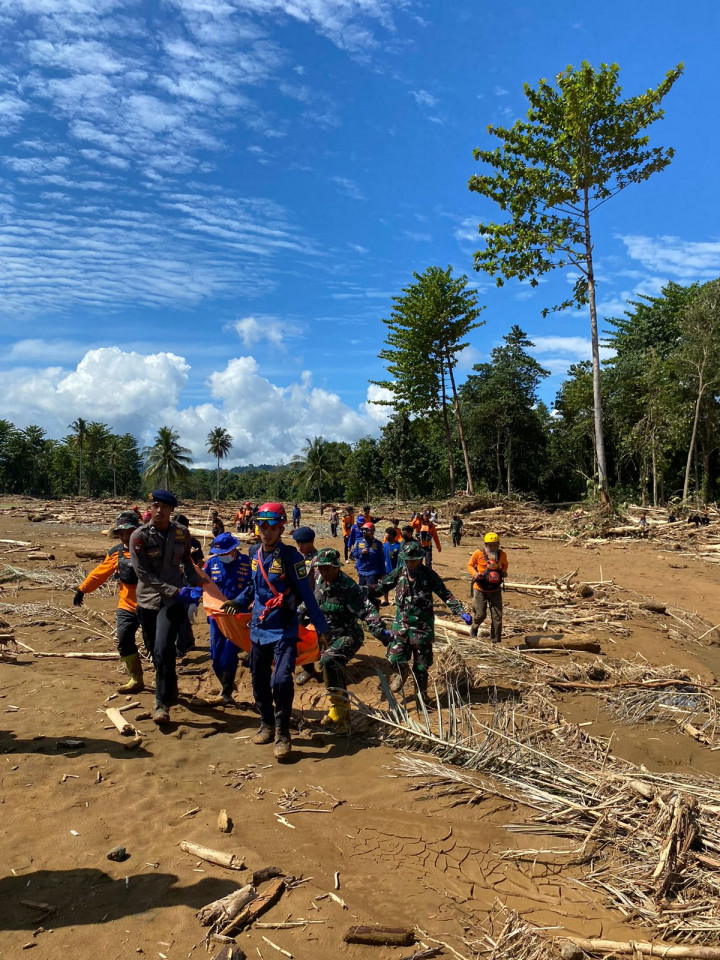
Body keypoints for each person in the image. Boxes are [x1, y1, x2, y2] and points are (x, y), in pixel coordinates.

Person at [220, 502, 330, 762]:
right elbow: (254, 587)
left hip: (284, 629)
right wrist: (238, 601)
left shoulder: (292, 558)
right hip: (259, 628)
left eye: (270, 527)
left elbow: (307, 596)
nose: (265, 531)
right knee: (258, 679)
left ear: (281, 527)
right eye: (261, 526)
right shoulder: (254, 552)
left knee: (281, 681)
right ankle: (266, 724)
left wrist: (322, 629)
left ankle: (283, 734)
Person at [130, 489, 204, 725]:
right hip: (148, 599)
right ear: (150, 508)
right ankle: (170, 686)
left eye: (165, 507)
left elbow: (187, 564)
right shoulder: (139, 536)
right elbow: (142, 573)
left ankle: (161, 703)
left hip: (172, 602)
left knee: (163, 647)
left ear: (172, 510)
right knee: (156, 650)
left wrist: (199, 583)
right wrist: (176, 590)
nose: (159, 511)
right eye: (156, 506)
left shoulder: (182, 534)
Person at [371, 541, 471, 701]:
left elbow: (445, 594)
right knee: (394, 658)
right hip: (401, 626)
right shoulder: (398, 573)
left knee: (421, 666)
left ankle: (422, 697)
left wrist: (460, 611)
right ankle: (403, 672)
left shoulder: (429, 575)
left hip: (422, 629)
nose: (410, 563)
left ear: (420, 559)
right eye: (407, 560)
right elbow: (380, 588)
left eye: (414, 560)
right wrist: (362, 592)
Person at [313, 547, 391, 730]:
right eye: (321, 568)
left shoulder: (348, 587)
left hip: (349, 634)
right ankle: (338, 709)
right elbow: (312, 601)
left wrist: (380, 631)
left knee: (329, 660)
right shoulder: (319, 580)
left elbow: (367, 611)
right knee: (331, 669)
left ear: (336, 568)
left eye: (327, 569)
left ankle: (341, 713)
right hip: (328, 635)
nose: (324, 572)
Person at [73, 510, 145, 693]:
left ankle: (164, 682)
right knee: (124, 639)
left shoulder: (150, 548)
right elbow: (100, 573)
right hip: (127, 606)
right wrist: (83, 589)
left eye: (128, 532)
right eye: (121, 533)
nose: (124, 536)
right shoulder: (116, 553)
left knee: (155, 645)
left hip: (150, 605)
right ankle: (135, 679)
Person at [203, 532, 251, 704]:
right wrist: (191, 601)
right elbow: (202, 584)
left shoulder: (247, 563)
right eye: (219, 553)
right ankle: (224, 682)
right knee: (216, 656)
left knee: (229, 654)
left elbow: (255, 587)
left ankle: (226, 691)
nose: (222, 556)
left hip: (238, 618)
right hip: (217, 618)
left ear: (233, 550)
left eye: (224, 553)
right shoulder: (211, 563)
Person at [292, 525, 321, 688]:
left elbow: (318, 588)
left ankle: (318, 667)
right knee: (300, 639)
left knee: (316, 638)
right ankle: (308, 668)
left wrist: (304, 606)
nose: (299, 547)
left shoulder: (317, 560)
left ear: (311, 542)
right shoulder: (296, 556)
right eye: (297, 543)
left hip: (311, 605)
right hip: (295, 604)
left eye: (302, 543)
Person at [467, 532, 508, 644]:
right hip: (480, 588)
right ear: (485, 545)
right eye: (489, 545)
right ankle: (474, 627)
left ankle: (495, 641)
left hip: (495, 590)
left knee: (497, 618)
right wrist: (474, 574)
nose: (492, 547)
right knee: (480, 614)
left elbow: (505, 565)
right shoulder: (478, 553)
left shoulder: (502, 555)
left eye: (494, 545)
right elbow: (470, 565)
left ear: (498, 544)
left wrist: (503, 572)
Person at [173, 513, 204, 656]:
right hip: (176, 580)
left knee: (183, 613)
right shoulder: (171, 542)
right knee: (181, 613)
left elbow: (200, 563)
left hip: (189, 580)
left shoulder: (194, 542)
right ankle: (187, 642)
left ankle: (181, 645)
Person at [350, 522, 386, 604]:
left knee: (371, 594)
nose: (363, 532)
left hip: (373, 573)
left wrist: (383, 574)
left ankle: (373, 610)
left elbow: (381, 559)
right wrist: (361, 553)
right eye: (363, 530)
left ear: (372, 532)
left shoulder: (378, 544)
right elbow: (352, 554)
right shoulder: (359, 542)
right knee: (361, 593)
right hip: (362, 572)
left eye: (366, 530)